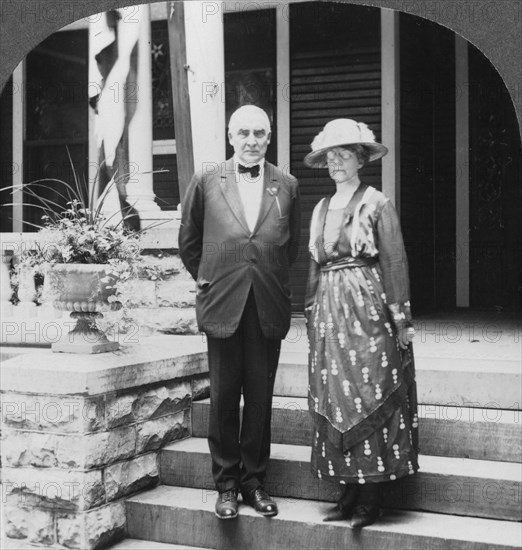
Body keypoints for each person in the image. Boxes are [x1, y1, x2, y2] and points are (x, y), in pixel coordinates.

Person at [179, 105, 301, 520]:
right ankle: (227, 486)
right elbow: (189, 240)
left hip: (267, 303)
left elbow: (292, 246)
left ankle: (254, 483)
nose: (252, 140)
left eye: (260, 133)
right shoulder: (207, 179)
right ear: (231, 136)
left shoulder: (287, 184)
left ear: (270, 137)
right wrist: (209, 276)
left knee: (261, 398)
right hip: (223, 302)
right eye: (244, 133)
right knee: (225, 397)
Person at [303, 119, 418, 529]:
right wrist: (311, 313)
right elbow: (315, 268)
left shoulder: (377, 203)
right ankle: (346, 492)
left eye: (344, 153)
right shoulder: (319, 209)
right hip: (330, 318)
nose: (336, 161)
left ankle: (372, 497)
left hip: (368, 311)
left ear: (361, 159)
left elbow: (394, 261)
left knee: (369, 391)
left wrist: (400, 320)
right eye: (330, 155)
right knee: (336, 397)